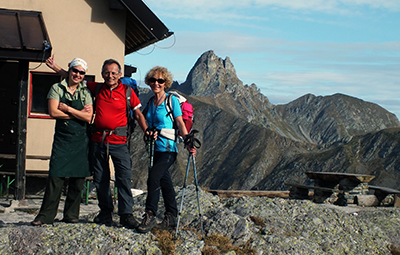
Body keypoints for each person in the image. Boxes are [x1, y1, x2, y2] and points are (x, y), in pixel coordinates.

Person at [46, 56, 148, 229]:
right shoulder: (96, 88)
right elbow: (72, 77)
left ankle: (126, 215)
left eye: (114, 73)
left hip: (119, 142)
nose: (110, 76)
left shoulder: (127, 92)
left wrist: (147, 131)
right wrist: (55, 67)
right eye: (107, 73)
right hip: (98, 140)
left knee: (124, 177)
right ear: (102, 74)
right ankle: (105, 213)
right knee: (101, 179)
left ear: (120, 74)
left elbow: (137, 114)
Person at [31, 58, 93, 226]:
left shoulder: (85, 91)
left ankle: (71, 214)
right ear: (70, 69)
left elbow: (88, 117)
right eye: (75, 70)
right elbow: (53, 112)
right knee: (55, 177)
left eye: (81, 72)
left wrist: (67, 109)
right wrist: (77, 114)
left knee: (78, 179)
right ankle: (45, 216)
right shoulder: (56, 88)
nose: (78, 74)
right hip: (63, 140)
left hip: (81, 141)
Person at [136, 66, 196, 233]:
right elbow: (144, 121)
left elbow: (179, 123)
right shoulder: (150, 102)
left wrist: (187, 140)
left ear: (165, 83)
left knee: (154, 177)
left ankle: (150, 214)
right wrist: (148, 131)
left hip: (168, 150)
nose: (156, 83)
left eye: (160, 81)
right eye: (153, 80)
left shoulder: (172, 101)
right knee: (164, 181)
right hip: (154, 149)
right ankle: (171, 215)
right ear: (149, 82)